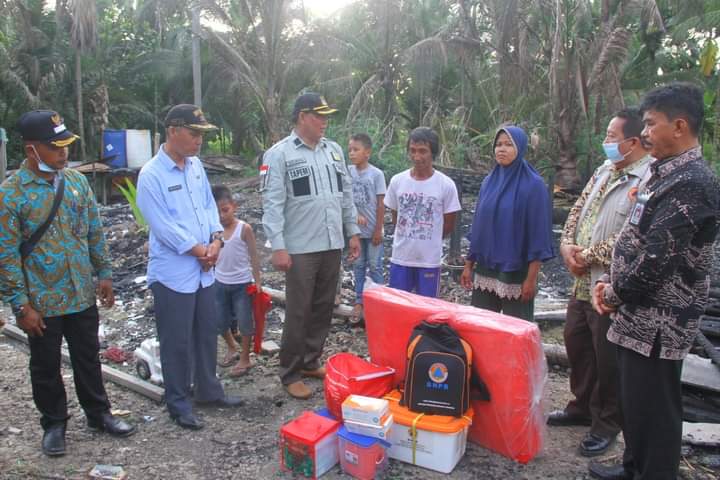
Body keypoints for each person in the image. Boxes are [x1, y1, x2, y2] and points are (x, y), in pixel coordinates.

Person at [589, 83, 720, 480]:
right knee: (635, 401)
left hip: (661, 321)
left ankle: (654, 472)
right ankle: (633, 466)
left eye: (650, 124)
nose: (644, 133)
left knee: (657, 408)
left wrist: (613, 292)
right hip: (635, 314)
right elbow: (638, 234)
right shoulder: (663, 171)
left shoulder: (693, 182)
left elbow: (656, 260)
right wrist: (612, 285)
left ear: (679, 126)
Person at [0, 110, 135, 456]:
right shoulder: (11, 194)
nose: (64, 153)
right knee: (45, 365)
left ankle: (98, 414)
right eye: (55, 147)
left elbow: (93, 229)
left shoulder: (75, 182)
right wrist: (20, 304)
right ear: (32, 150)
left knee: (88, 357)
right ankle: (54, 424)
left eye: (66, 145)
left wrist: (103, 273)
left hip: (80, 291)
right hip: (41, 300)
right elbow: (6, 255)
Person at [547, 108, 652, 457]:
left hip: (607, 282)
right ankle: (580, 406)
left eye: (611, 136)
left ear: (633, 142)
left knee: (607, 355)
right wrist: (566, 246)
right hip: (580, 281)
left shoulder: (646, 180)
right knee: (576, 341)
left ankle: (606, 424)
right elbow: (577, 209)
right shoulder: (605, 169)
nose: (605, 142)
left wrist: (587, 256)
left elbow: (632, 235)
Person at [136, 104, 243, 431]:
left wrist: (216, 241)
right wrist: (199, 250)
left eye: (201, 135)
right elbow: (162, 226)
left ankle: (209, 391)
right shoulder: (151, 174)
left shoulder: (196, 167)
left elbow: (209, 208)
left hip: (203, 268)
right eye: (194, 133)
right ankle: (179, 402)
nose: (199, 141)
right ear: (173, 131)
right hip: (173, 273)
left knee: (204, 333)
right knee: (176, 340)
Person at [261, 92, 360, 399]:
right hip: (300, 246)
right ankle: (289, 371)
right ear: (302, 116)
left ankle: (309, 360)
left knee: (323, 307)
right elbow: (272, 203)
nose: (325, 121)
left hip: (331, 242)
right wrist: (278, 246)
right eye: (319, 115)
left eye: (326, 115)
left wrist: (352, 231)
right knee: (299, 310)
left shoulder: (333, 151)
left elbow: (345, 194)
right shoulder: (279, 154)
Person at [460, 125, 554, 321]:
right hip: (486, 267)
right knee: (482, 326)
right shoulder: (488, 182)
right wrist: (469, 265)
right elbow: (478, 227)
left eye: (508, 144)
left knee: (515, 330)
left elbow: (538, 234)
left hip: (516, 271)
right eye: (498, 144)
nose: (501, 149)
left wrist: (531, 279)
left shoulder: (534, 185)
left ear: (520, 148)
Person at [384, 127, 460, 298]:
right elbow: (396, 218)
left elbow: (448, 225)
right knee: (398, 305)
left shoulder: (445, 185)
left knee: (427, 310)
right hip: (401, 258)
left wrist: (428, 238)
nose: (417, 157)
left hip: (429, 261)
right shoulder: (397, 181)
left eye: (422, 151)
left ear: (433, 153)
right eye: (412, 151)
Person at [212, 184, 262, 377]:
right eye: (217, 212)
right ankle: (232, 347)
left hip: (242, 283)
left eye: (225, 210)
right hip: (219, 282)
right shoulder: (214, 230)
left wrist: (257, 281)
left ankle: (245, 358)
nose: (222, 216)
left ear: (234, 206)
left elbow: (254, 255)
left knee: (244, 321)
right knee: (220, 321)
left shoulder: (244, 229)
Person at [348, 133, 386, 323]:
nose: (352, 153)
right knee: (358, 265)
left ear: (368, 152)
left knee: (375, 265)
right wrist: (354, 216)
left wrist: (378, 230)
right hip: (356, 232)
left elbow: (381, 204)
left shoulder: (376, 174)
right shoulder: (348, 172)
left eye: (356, 150)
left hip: (373, 231)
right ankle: (359, 301)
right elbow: (345, 199)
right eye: (350, 150)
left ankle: (380, 302)